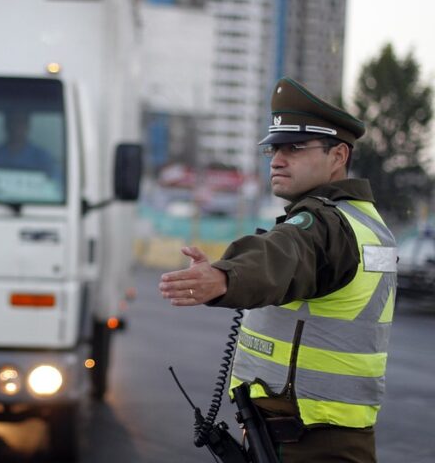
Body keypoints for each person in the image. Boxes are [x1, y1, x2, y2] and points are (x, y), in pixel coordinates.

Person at [159, 77, 396, 462]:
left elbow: (285, 253)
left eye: (295, 149)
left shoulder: (324, 225)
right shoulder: (361, 222)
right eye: (274, 149)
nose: (276, 160)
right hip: (311, 437)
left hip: (313, 445)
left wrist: (225, 276)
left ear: (338, 156)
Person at [0, 110, 60, 179]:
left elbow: (56, 186)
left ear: (27, 126)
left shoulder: (43, 158)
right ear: (5, 125)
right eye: (12, 121)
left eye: (20, 122)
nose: (15, 127)